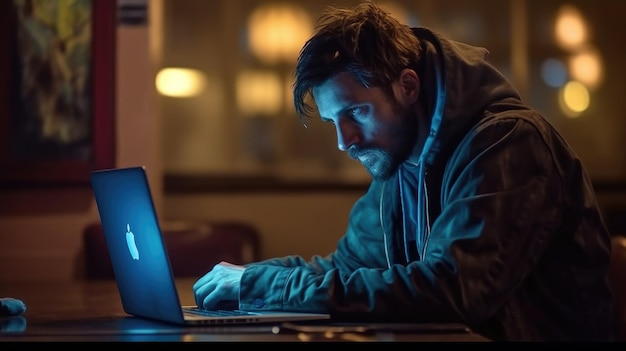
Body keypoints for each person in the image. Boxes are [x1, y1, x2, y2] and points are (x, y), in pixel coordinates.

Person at [193, 1, 618, 341]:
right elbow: (348, 267)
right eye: (332, 122)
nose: (345, 140)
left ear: (408, 87)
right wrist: (252, 277)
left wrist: (269, 287)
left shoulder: (509, 144)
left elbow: (452, 291)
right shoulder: (400, 159)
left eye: (357, 111)